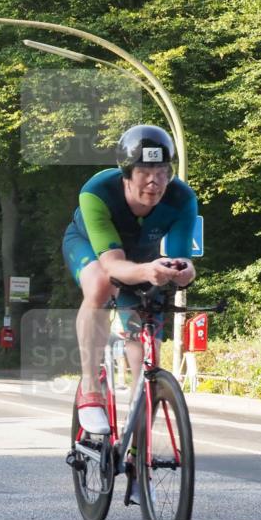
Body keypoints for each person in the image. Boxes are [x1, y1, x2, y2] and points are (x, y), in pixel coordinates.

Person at [62, 124, 197, 435]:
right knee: (101, 283)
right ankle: (90, 388)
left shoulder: (181, 198)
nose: (154, 182)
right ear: (126, 174)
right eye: (144, 172)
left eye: (162, 172)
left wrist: (185, 271)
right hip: (91, 248)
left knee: (147, 352)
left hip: (143, 257)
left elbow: (181, 257)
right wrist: (149, 271)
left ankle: (137, 442)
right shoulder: (97, 192)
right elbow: (112, 265)